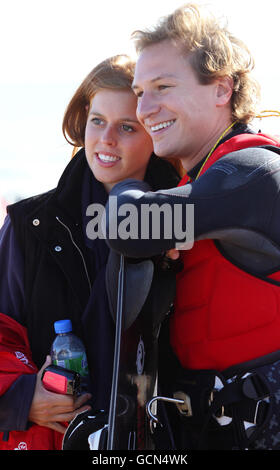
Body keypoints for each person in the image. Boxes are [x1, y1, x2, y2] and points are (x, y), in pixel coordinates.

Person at [105, 4, 280, 450]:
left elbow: (129, 224)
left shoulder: (252, 174)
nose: (144, 108)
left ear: (222, 88)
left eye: (162, 87)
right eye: (140, 91)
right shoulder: (198, 182)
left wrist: (126, 188)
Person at [0, 54, 180, 450]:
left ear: (156, 132)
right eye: (97, 121)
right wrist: (21, 397)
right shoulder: (30, 225)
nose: (106, 139)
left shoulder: (187, 221)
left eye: (127, 127)